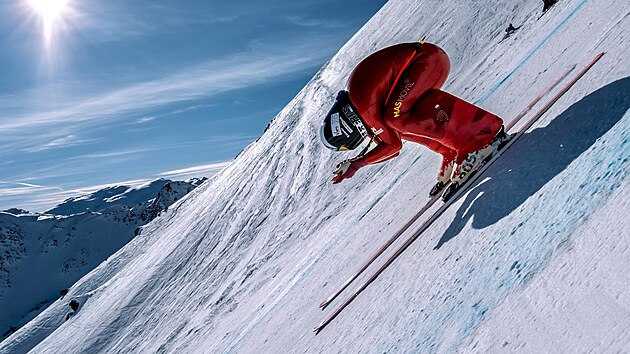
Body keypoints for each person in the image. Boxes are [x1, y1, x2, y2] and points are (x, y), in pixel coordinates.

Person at [320, 41, 510, 199]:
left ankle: (473, 143)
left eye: (346, 145)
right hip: (425, 62)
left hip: (426, 61)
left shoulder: (363, 107)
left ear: (345, 132)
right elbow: (391, 145)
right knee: (395, 123)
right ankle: (452, 150)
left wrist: (356, 163)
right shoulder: (357, 104)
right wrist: (356, 162)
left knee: (395, 117)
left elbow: (392, 146)